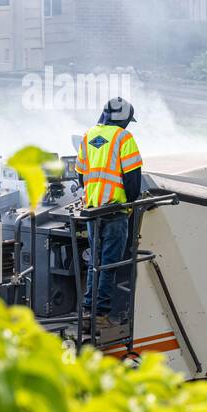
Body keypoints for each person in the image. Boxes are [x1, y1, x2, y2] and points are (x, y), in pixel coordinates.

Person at [74, 97, 143, 327]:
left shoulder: (89, 135)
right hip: (115, 211)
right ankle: (100, 315)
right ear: (123, 119)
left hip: (93, 212)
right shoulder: (124, 138)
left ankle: (87, 311)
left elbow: (80, 176)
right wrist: (131, 203)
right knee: (109, 264)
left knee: (96, 262)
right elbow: (133, 180)